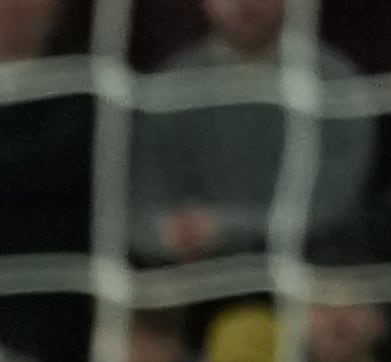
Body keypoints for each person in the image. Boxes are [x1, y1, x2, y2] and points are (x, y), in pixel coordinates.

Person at [128, 0, 373, 267]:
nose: (245, 3)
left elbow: (334, 210)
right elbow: (141, 209)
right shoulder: (172, 84)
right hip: (194, 274)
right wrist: (171, 235)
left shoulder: (334, 82)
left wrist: (221, 228)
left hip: (313, 269)